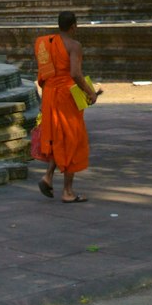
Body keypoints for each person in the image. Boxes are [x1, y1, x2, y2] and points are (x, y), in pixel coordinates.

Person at [35, 11, 101, 204]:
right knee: (71, 138)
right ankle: (67, 191)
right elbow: (75, 73)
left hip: (49, 95)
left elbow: (45, 73)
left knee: (58, 138)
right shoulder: (74, 45)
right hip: (66, 96)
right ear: (73, 26)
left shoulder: (46, 43)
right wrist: (90, 92)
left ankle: (47, 177)